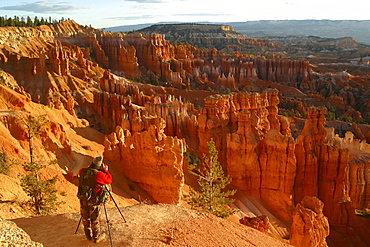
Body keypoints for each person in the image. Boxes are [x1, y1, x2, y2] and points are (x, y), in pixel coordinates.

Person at [77, 156, 112, 243]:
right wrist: (105, 170)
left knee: (85, 216)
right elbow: (109, 180)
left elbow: (79, 174)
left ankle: (88, 236)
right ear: (99, 166)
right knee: (94, 218)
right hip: (93, 199)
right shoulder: (99, 174)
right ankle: (96, 237)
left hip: (83, 197)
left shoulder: (82, 171)